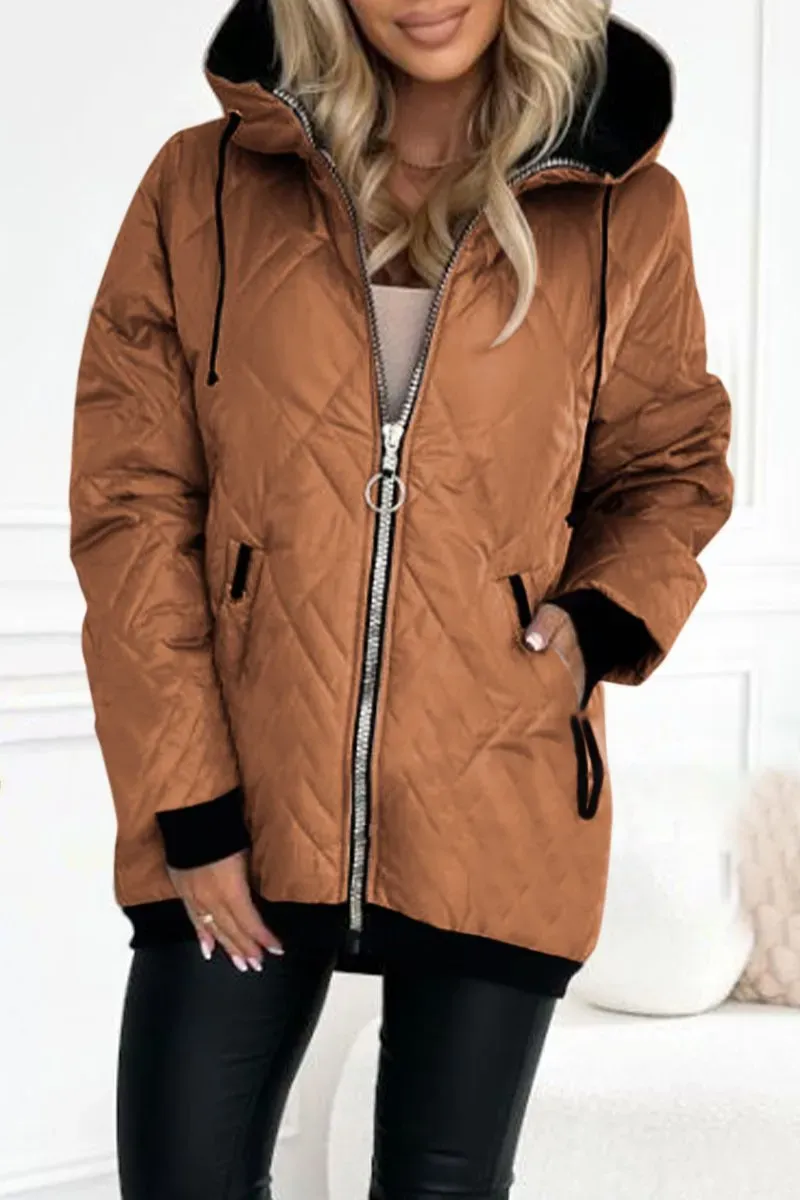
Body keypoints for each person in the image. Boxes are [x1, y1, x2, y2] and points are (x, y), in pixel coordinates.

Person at [68, 0, 735, 1195]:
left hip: (494, 788)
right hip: (241, 786)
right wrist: (189, 808)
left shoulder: (621, 204)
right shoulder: (202, 184)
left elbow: (669, 469)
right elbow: (132, 504)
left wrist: (591, 625)